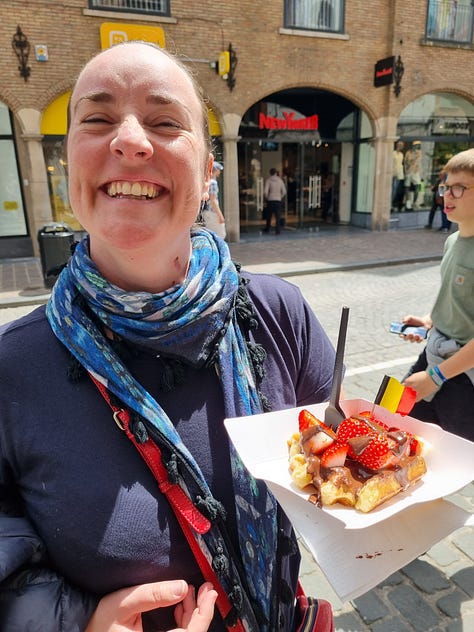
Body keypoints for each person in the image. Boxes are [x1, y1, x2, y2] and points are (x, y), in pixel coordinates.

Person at [0, 42, 338, 631]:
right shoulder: (11, 366)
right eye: (98, 119)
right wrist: (78, 623)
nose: (129, 141)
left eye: (164, 122)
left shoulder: (279, 311)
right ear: (70, 161)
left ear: (209, 172)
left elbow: (333, 467)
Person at [401, 148, 474, 442]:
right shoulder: (452, 241)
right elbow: (455, 299)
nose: (448, 195)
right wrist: (428, 321)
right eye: (446, 186)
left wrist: (435, 377)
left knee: (458, 459)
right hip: (435, 355)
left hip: (463, 373)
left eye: (460, 187)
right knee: (401, 429)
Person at [201, 161, 226, 239]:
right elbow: (213, 200)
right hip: (212, 213)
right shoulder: (213, 183)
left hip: (207, 212)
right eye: (219, 169)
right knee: (220, 236)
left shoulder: (207, 182)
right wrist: (220, 215)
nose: (220, 171)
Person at [263, 168, 286, 234]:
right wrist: (280, 197)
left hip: (271, 200)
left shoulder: (268, 180)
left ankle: (268, 228)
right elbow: (284, 191)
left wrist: (267, 197)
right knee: (278, 215)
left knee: (269, 215)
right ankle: (277, 230)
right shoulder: (280, 180)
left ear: (270, 173)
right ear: (276, 173)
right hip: (278, 200)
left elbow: (265, 192)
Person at [403, 141, 422, 210]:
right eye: (417, 145)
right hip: (408, 171)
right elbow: (406, 162)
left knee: (417, 186)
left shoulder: (419, 153)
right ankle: (407, 203)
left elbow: (416, 161)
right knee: (407, 187)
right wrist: (406, 170)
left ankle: (415, 202)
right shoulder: (408, 152)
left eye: (418, 145)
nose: (418, 147)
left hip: (415, 171)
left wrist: (411, 162)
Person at [391, 140, 405, 212]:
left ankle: (393, 204)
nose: (401, 146)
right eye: (400, 145)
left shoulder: (401, 154)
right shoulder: (393, 153)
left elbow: (400, 165)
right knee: (393, 190)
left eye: (402, 145)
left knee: (396, 190)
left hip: (399, 175)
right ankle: (390, 204)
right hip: (393, 174)